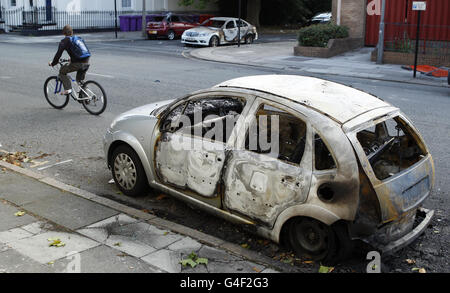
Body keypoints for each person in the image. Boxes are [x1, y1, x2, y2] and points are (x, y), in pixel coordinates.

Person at [49, 25, 90, 95]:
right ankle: (86, 97)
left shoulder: (65, 41)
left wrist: (53, 63)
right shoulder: (78, 38)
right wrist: (73, 58)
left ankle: (68, 89)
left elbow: (58, 54)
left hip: (78, 63)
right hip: (86, 61)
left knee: (62, 71)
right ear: (72, 32)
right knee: (79, 80)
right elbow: (81, 51)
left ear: (63, 33)